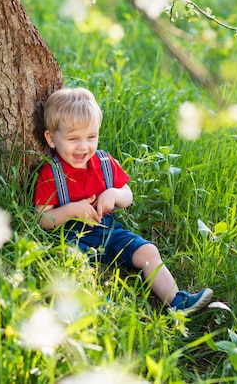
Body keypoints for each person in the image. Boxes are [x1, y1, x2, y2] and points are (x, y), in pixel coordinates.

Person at [33, 87, 213, 315]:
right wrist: (70, 210)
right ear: (51, 138)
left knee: (147, 251)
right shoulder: (52, 173)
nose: (83, 146)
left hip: (109, 233)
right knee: (71, 261)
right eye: (73, 139)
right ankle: (92, 303)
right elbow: (42, 218)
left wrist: (114, 194)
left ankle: (176, 301)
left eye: (91, 137)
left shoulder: (104, 162)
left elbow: (127, 195)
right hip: (72, 236)